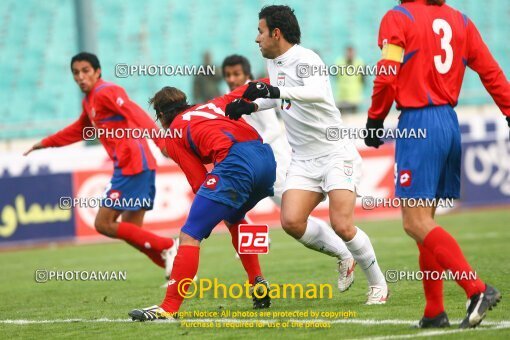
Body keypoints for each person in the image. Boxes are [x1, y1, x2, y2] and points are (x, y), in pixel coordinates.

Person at [225, 5, 388, 304]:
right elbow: (282, 101)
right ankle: (343, 255)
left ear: (276, 33)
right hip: (303, 158)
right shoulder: (275, 62)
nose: (256, 39)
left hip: (334, 153)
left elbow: (314, 92)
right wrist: (252, 106)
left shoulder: (306, 59)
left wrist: (271, 92)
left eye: (260, 31)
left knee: (342, 223)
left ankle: (378, 284)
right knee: (291, 221)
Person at [364, 0, 507, 328]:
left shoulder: (398, 17)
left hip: (419, 124)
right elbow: (489, 70)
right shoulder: (461, 20)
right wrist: (509, 109)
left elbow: (387, 75)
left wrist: (375, 118)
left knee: (414, 222)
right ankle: (433, 312)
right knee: (424, 221)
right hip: (449, 123)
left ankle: (477, 289)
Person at [129, 82, 276, 321]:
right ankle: (257, 281)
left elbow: (199, 182)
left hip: (236, 163)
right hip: (266, 160)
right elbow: (252, 88)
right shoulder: (215, 103)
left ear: (161, 115)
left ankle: (169, 307)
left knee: (190, 234)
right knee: (234, 217)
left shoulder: (174, 132)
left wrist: (208, 208)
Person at [24, 52, 178, 277]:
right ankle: (179, 270)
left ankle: (168, 246)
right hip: (134, 167)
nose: (80, 76)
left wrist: (160, 141)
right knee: (132, 232)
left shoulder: (107, 91)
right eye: (75, 72)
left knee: (103, 223)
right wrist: (45, 143)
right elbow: (79, 129)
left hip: (133, 165)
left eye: (85, 71)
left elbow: (133, 112)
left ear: (97, 72)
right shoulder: (89, 101)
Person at [222, 54, 357, 292]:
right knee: (230, 203)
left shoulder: (252, 92)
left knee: (293, 218)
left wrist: (252, 144)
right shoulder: (239, 97)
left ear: (247, 75)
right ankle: (259, 249)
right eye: (228, 75)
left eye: (237, 74)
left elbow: (273, 128)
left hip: (276, 164)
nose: (232, 79)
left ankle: (345, 251)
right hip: (257, 163)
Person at [335, 46, 366, 114]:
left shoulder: (360, 62)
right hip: (342, 96)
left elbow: (363, 79)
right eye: (349, 52)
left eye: (351, 52)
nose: (350, 54)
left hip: (354, 97)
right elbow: (336, 76)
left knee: (354, 119)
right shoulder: (339, 62)